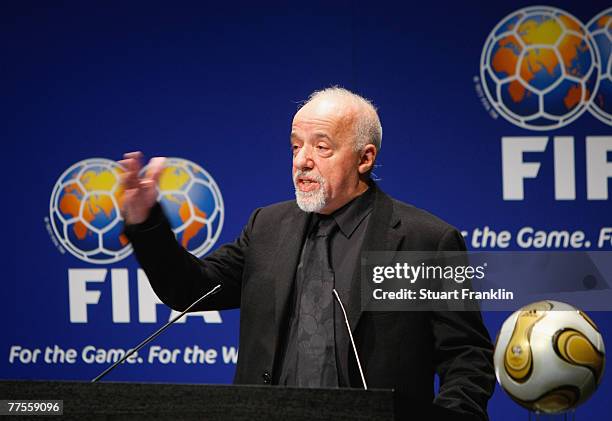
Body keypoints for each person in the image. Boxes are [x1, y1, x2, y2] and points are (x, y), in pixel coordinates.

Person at [120, 87, 495, 420]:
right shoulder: (267, 227)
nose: (302, 159)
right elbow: (189, 289)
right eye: (296, 145)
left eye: (321, 146)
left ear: (364, 159)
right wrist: (145, 222)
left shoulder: (423, 241)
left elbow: (466, 356)